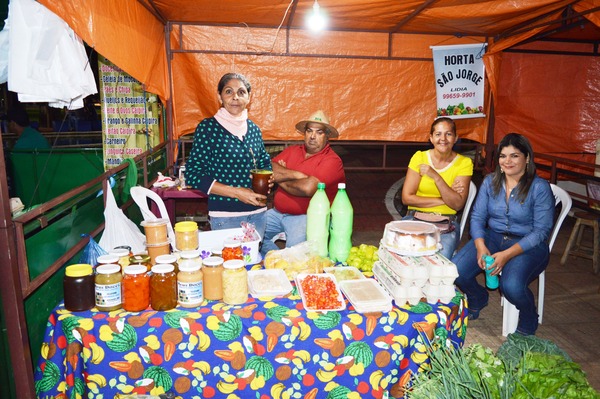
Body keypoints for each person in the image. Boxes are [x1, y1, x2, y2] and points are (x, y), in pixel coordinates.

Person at [452, 133, 555, 336]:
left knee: (512, 286)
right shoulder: (490, 182)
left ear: (527, 159)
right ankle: (478, 297)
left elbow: (541, 232)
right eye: (503, 155)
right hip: (493, 237)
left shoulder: (539, 188)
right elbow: (477, 217)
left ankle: (528, 317)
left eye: (514, 156)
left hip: (528, 245)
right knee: (456, 271)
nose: (507, 161)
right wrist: (481, 247)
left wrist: (507, 255)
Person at [185, 72, 272, 238]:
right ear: (219, 97)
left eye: (241, 92)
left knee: (252, 262)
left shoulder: (254, 129)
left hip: (258, 213)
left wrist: (268, 178)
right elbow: (193, 175)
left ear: (249, 97)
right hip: (226, 216)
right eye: (228, 91)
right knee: (230, 262)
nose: (235, 97)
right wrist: (237, 192)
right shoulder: (208, 128)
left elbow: (263, 163)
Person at [260, 110, 345, 256]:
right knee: (251, 234)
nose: (313, 136)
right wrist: (298, 175)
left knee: (295, 256)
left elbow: (308, 189)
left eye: (319, 132)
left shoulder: (332, 161)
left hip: (304, 217)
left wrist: (281, 177)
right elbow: (268, 167)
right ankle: (276, 257)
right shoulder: (293, 150)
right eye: (309, 131)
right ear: (304, 133)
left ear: (327, 136)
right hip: (277, 213)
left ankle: (284, 260)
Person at [401, 117, 473, 258]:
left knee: (438, 260)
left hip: (446, 222)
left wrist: (436, 176)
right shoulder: (419, 157)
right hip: (414, 218)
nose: (443, 139)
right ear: (431, 138)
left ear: (456, 138)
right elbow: (406, 198)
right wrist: (444, 198)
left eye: (448, 134)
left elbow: (457, 204)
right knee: (401, 253)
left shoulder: (464, 163)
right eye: (438, 134)